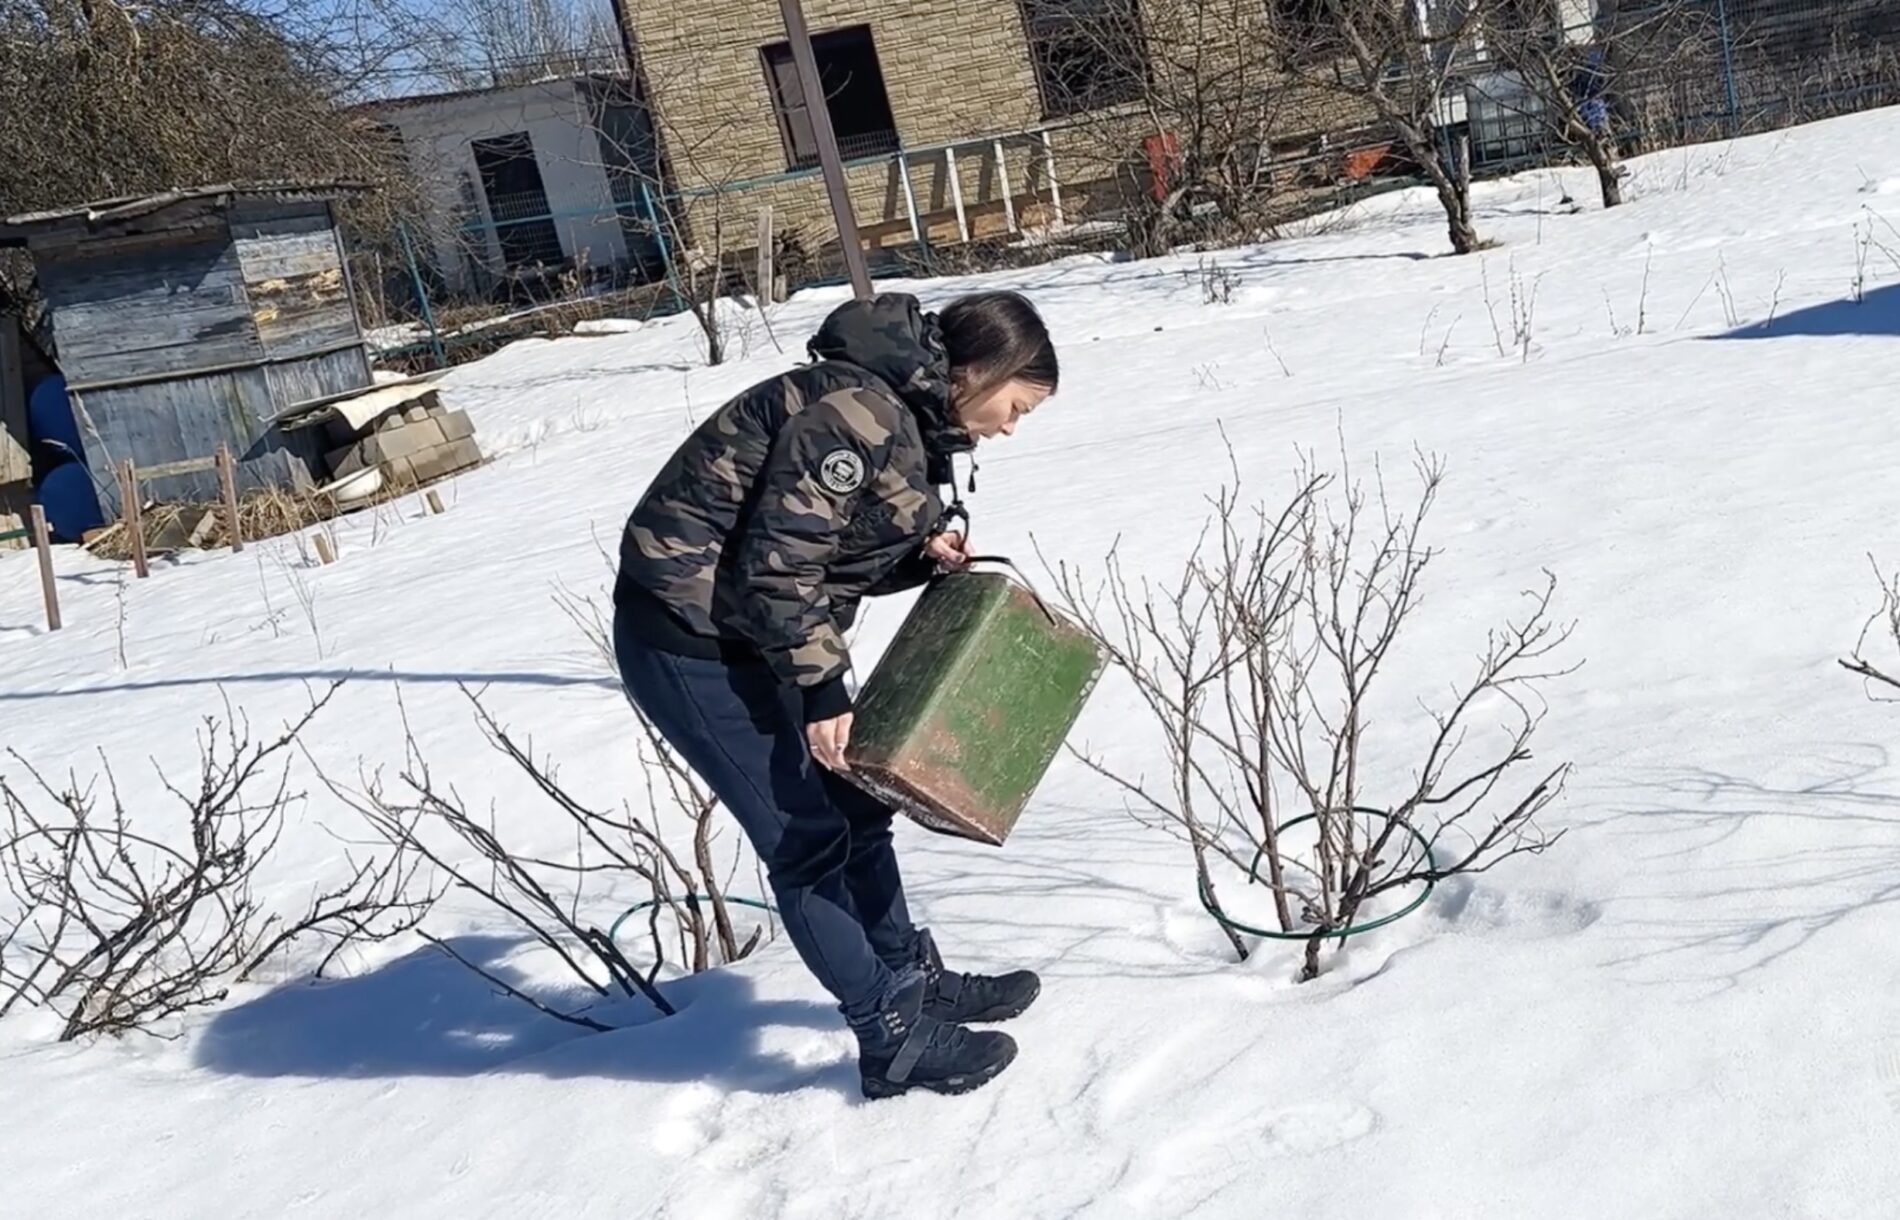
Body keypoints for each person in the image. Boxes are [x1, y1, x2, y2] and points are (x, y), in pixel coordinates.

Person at [612, 290, 1060, 1099]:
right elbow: (778, 567)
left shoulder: (903, 416)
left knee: (857, 810)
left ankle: (909, 979)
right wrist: (822, 691)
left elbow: (829, 546)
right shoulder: (859, 414)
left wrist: (921, 557)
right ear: (979, 371)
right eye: (1015, 406)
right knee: (806, 838)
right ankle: (888, 1037)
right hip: (689, 641)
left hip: (755, 633)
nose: (1009, 426)